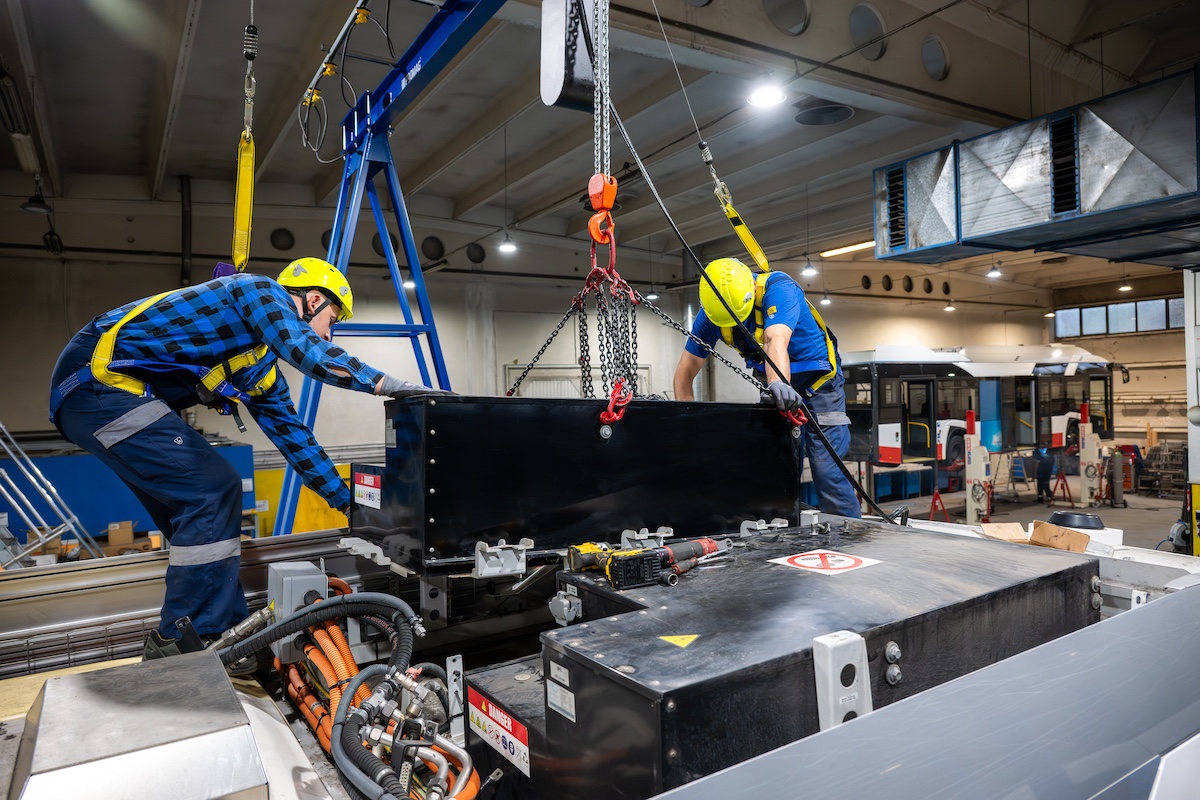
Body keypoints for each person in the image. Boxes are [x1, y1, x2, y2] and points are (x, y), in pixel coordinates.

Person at [48, 257, 443, 662]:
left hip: (101, 399)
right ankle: (185, 642)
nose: (330, 331)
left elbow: (297, 441)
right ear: (312, 300)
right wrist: (391, 386)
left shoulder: (257, 367)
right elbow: (308, 351)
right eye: (332, 319)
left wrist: (350, 506)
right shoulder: (258, 291)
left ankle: (225, 632)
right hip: (96, 381)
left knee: (199, 512)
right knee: (214, 489)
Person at [672, 258, 860, 518]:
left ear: (751, 292)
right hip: (778, 394)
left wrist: (776, 384)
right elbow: (685, 371)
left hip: (820, 389)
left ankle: (847, 535)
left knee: (828, 471)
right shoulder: (714, 312)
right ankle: (785, 533)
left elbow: (775, 341)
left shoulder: (780, 289)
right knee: (777, 472)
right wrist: (686, 419)